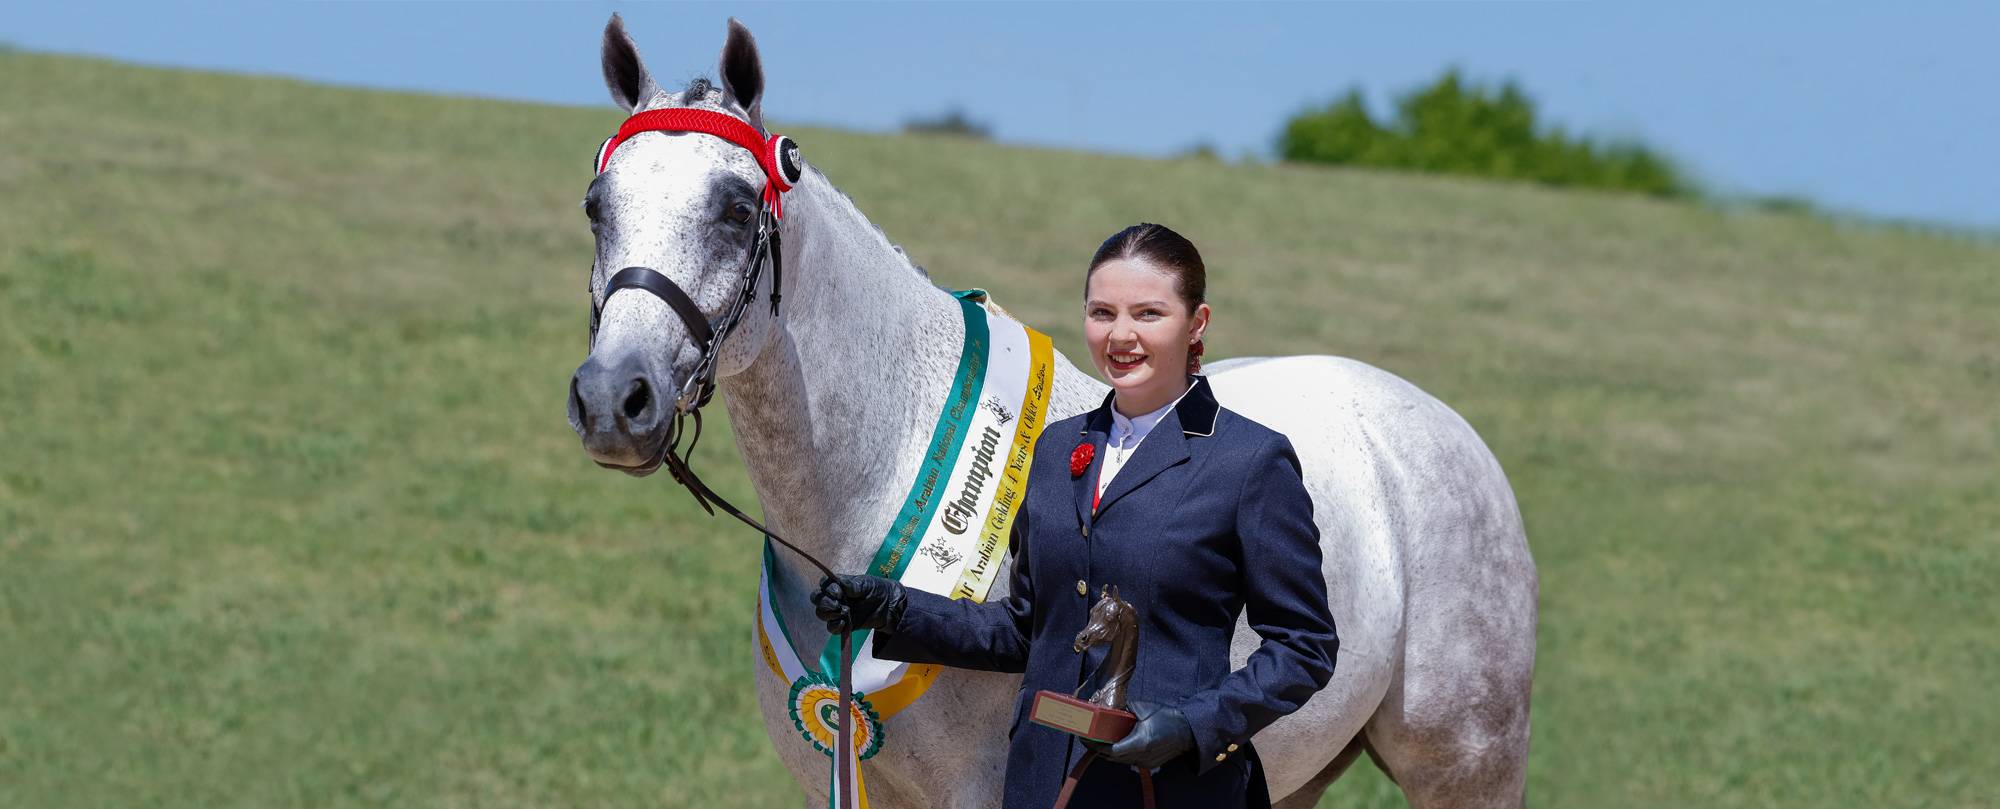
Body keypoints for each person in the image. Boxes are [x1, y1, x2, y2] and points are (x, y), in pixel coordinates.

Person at [814, 223, 1338, 809]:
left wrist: (1195, 726)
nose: (1121, 335)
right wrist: (895, 609)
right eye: (1102, 312)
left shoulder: (1250, 460)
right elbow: (1026, 629)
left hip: (1172, 788)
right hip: (1043, 785)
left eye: (1148, 314)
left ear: (1197, 324)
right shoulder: (1057, 447)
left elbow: (1304, 645)